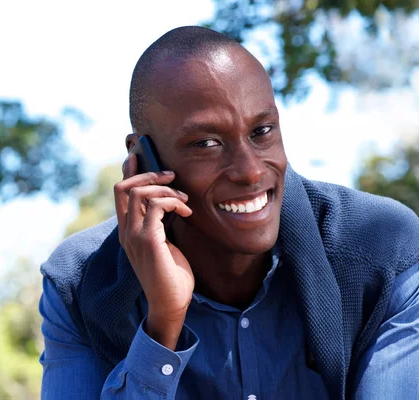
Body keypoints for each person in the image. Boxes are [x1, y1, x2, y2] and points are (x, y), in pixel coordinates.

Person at [39, 26, 419, 399]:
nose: (251, 171)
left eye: (262, 131)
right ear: (141, 159)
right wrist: (163, 324)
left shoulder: (386, 251)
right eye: (206, 143)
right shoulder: (79, 283)